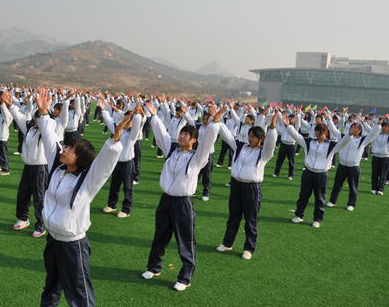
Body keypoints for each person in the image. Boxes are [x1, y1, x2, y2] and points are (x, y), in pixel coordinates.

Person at [35, 89, 125, 307]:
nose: (64, 149)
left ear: (81, 158)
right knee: (50, 288)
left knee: (80, 296)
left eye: (71, 149)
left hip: (73, 245)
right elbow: (48, 137)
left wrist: (115, 139)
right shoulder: (57, 169)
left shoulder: (87, 181)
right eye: (66, 146)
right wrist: (44, 111)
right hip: (53, 241)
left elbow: (104, 165)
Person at [141, 101, 224, 292]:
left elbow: (208, 142)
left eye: (186, 135)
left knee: (185, 240)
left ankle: (185, 277)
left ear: (194, 140)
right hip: (166, 200)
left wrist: (215, 122)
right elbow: (162, 135)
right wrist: (154, 116)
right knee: (159, 236)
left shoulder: (197, 158)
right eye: (181, 133)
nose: (182, 136)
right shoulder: (171, 151)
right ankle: (154, 267)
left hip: (183, 203)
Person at [215, 111, 278, 260]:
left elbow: (271, 144)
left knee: (251, 219)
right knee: (233, 216)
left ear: (260, 140)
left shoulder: (264, 153)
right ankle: (227, 243)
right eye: (249, 136)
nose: (250, 139)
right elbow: (228, 136)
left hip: (252, 188)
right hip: (236, 186)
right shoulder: (240, 146)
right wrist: (217, 121)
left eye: (254, 137)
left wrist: (273, 128)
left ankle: (249, 248)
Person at [286, 115, 353, 228]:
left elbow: (343, 143)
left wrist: (350, 135)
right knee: (303, 195)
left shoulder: (331, 145)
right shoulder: (309, 142)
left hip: (321, 174)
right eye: (316, 132)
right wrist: (288, 126)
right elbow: (297, 137)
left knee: (320, 197)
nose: (317, 134)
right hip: (308, 172)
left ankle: (317, 219)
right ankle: (299, 215)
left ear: (325, 132)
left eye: (320, 132)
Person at [5, 91, 50, 237]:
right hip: (28, 166)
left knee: (40, 197)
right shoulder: (30, 129)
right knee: (23, 193)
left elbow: (47, 123)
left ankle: (41, 224)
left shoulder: (48, 131)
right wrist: (11, 105)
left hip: (41, 167)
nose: (37, 122)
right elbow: (19, 117)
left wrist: (44, 112)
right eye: (36, 119)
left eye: (40, 119)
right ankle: (23, 218)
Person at [327, 117, 381, 210]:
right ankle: (332, 201)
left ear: (359, 130)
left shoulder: (362, 140)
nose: (352, 129)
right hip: (342, 165)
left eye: (355, 128)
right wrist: (329, 120)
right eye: (351, 128)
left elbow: (373, 134)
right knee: (337, 184)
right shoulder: (343, 136)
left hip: (354, 167)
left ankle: (351, 204)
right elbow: (333, 130)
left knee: (353, 186)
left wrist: (378, 125)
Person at [101, 100, 144, 218]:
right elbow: (110, 122)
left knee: (127, 187)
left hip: (127, 163)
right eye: (123, 119)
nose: (123, 121)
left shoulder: (132, 134)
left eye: (126, 120)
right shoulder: (118, 130)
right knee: (114, 184)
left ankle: (126, 209)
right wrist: (104, 110)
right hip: (116, 162)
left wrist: (137, 114)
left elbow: (137, 124)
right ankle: (112, 204)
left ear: (130, 121)